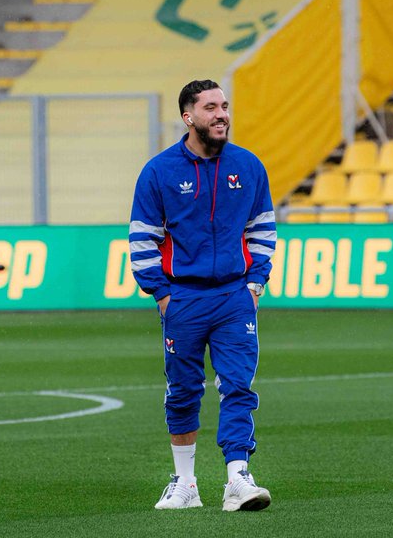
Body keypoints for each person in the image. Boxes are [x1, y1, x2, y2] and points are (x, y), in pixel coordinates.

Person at [128, 79, 276, 512]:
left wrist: (254, 283)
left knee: (237, 386)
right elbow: (142, 238)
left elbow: (263, 228)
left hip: (234, 296)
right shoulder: (159, 172)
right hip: (183, 299)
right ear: (188, 116)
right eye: (211, 107)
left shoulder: (248, 167)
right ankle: (185, 484)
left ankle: (237, 480)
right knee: (183, 390)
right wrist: (161, 294)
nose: (222, 114)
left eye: (225, 105)